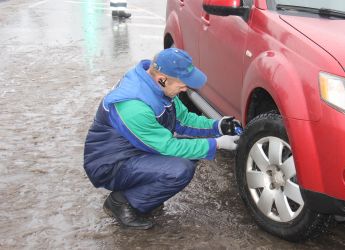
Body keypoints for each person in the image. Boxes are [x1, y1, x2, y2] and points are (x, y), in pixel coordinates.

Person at [83, 48, 241, 229]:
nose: (186, 88)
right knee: (179, 169)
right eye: (183, 84)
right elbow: (168, 147)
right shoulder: (134, 106)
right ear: (162, 79)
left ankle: (144, 191)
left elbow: (183, 120)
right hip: (110, 164)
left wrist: (216, 126)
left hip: (134, 149)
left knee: (192, 148)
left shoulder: (159, 87)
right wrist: (217, 144)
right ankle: (122, 202)